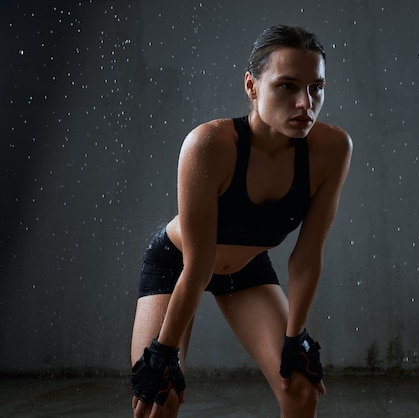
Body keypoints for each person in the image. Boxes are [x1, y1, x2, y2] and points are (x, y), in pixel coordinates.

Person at [130, 25, 352, 418]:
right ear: (251, 86)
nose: (306, 103)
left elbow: (305, 258)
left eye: (316, 87)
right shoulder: (209, 145)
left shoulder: (332, 150)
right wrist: (164, 353)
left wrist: (295, 338)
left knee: (301, 391)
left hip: (247, 271)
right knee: (157, 401)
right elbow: (197, 269)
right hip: (179, 266)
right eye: (287, 86)